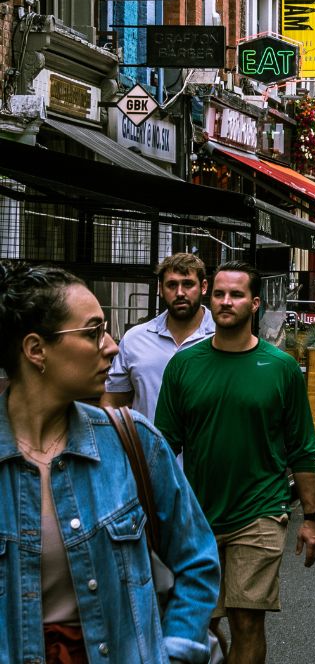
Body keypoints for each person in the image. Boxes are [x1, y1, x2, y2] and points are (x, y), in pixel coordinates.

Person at [0, 263, 219, 664]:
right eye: (92, 332)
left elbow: (197, 561)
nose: (112, 346)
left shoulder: (132, 441)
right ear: (36, 350)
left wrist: (173, 651)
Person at [156, 262, 315, 664]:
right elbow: (162, 446)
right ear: (209, 299)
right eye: (219, 294)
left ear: (254, 303)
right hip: (198, 517)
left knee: (247, 621)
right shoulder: (184, 365)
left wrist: (313, 518)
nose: (225, 301)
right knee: (202, 624)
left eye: (235, 294)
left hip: (261, 511)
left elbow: (301, 448)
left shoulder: (280, 367)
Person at [101, 251, 214, 421]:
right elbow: (113, 402)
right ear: (160, 289)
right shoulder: (135, 340)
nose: (180, 293)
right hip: (147, 446)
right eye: (172, 285)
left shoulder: (222, 336)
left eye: (188, 284)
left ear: (203, 287)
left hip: (205, 447)